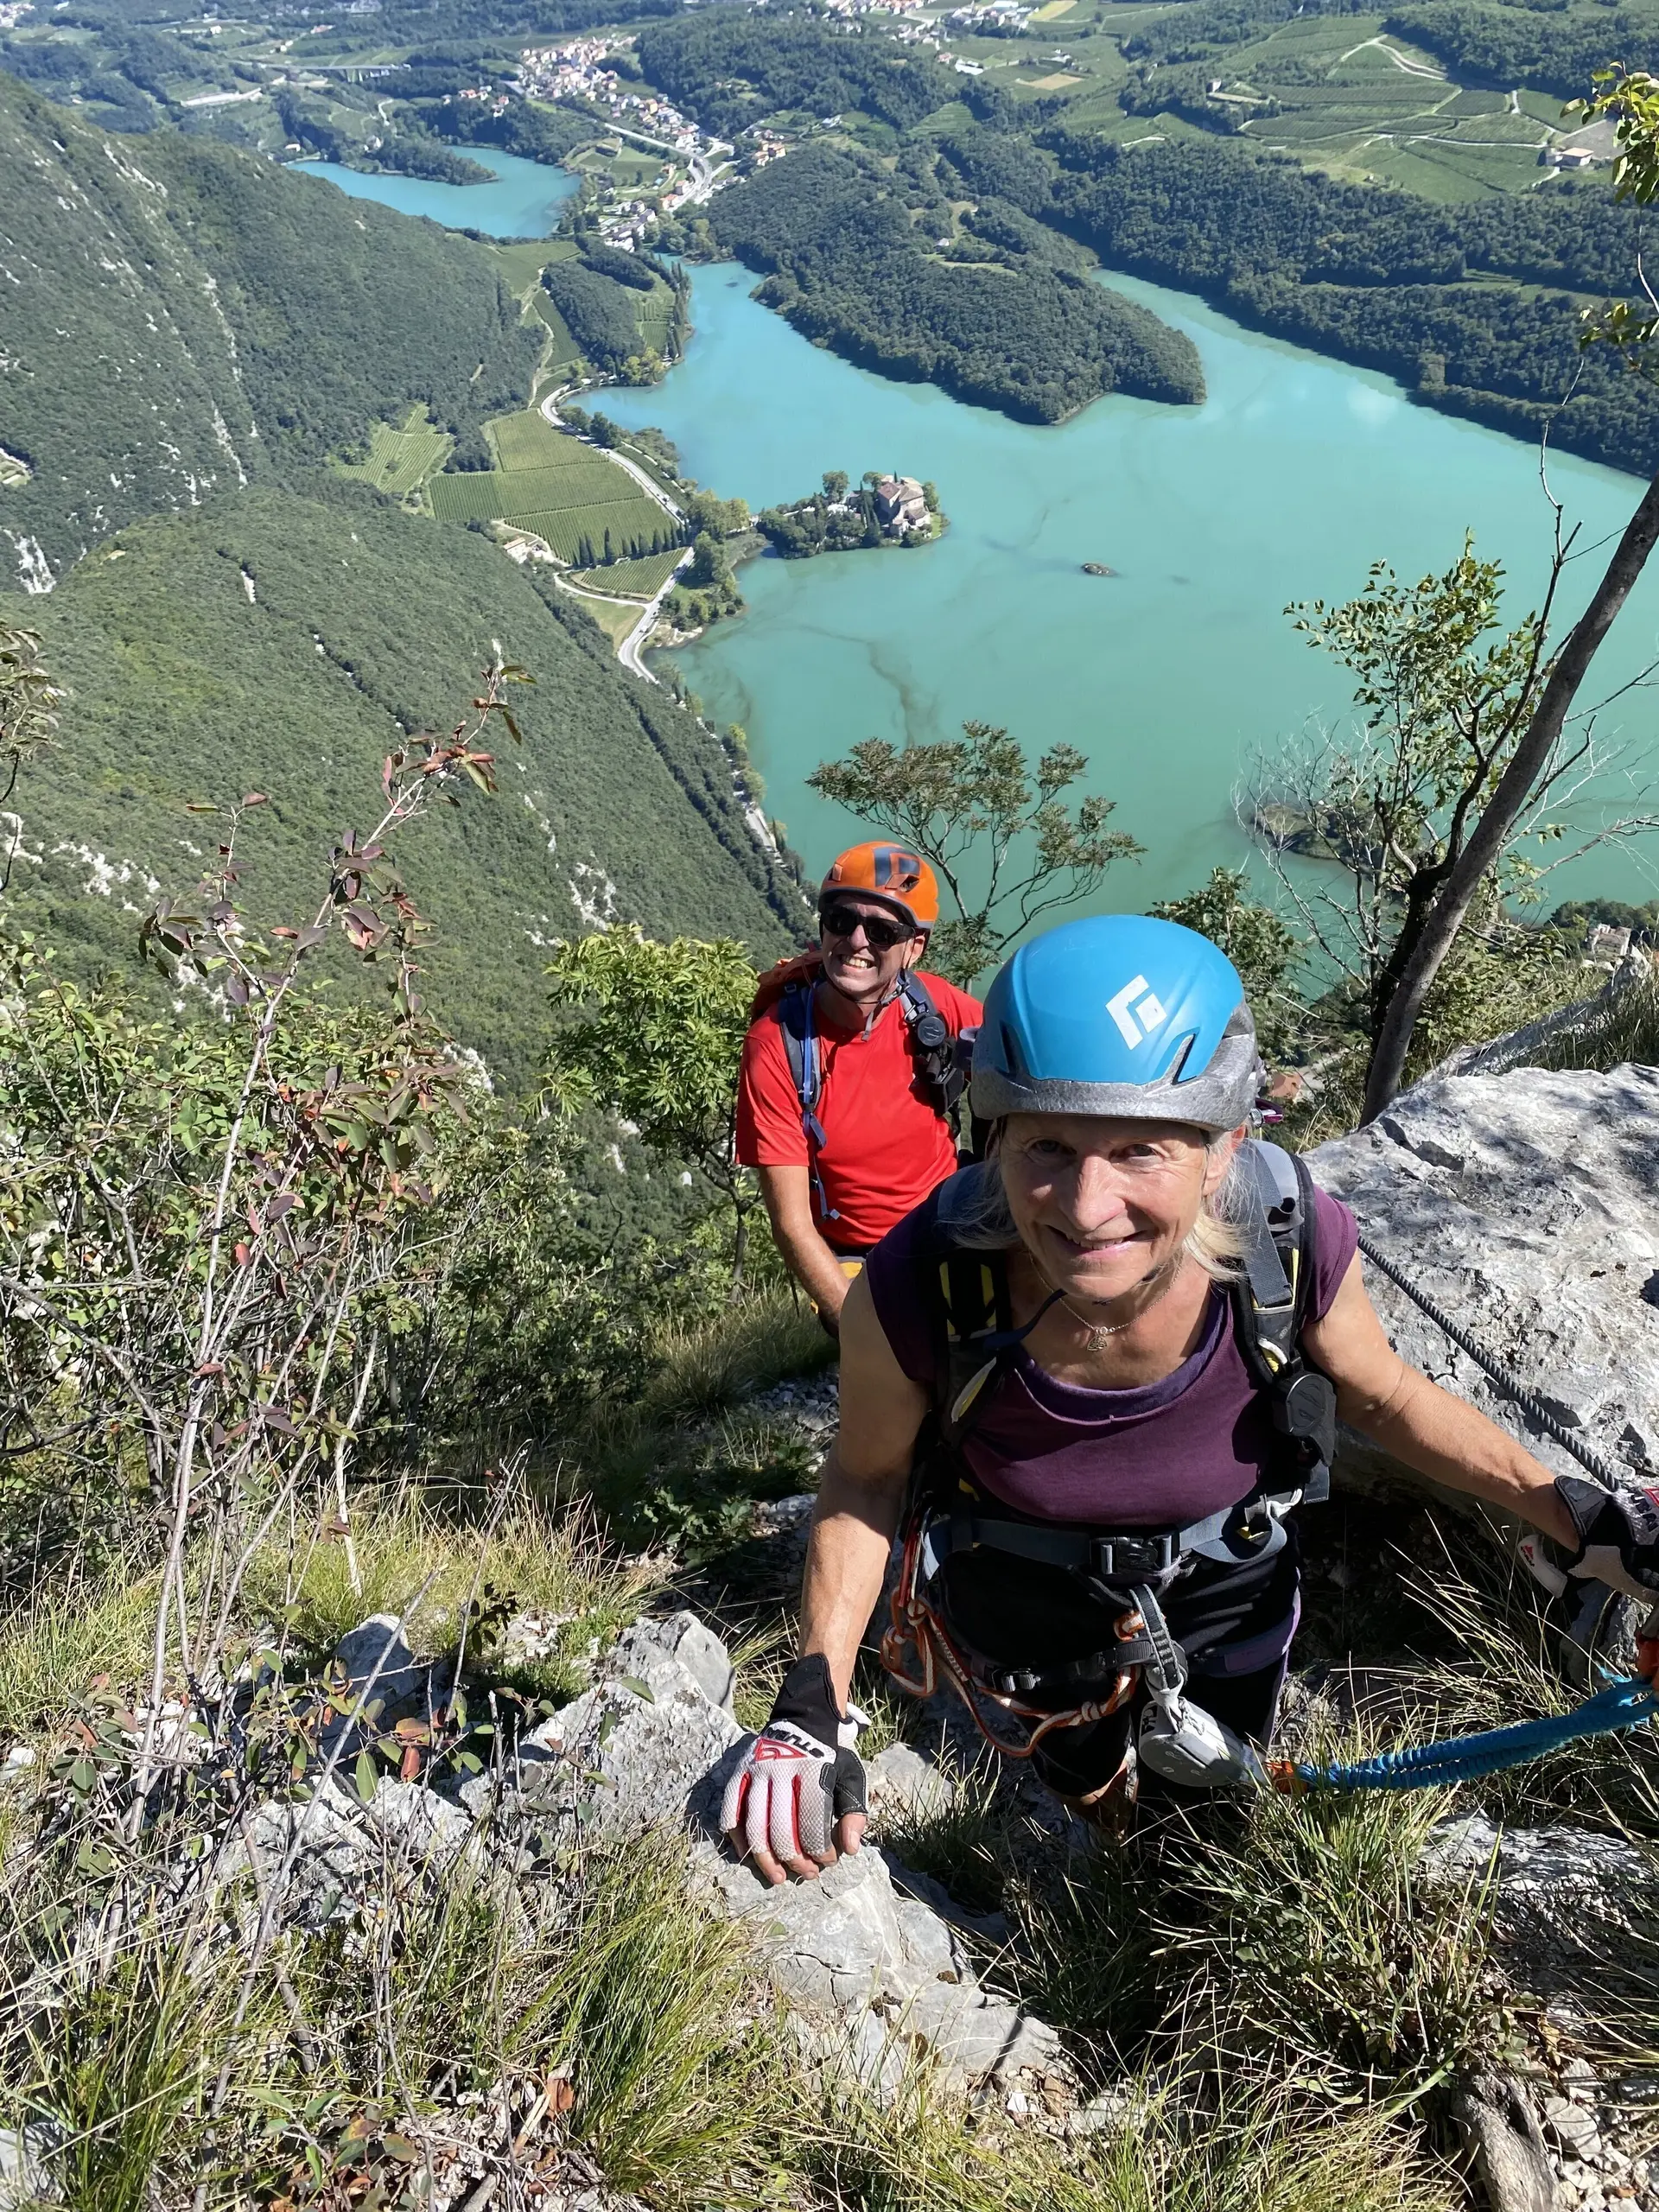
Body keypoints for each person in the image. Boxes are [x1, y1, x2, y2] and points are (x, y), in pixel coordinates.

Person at [720, 912, 1659, 1885]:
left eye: (1141, 1151)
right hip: (1028, 1611)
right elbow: (866, 1480)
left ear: (1224, 1146)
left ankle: (1175, 1892)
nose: (1087, 1209)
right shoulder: (923, 1280)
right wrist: (810, 1706)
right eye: (1047, 1148)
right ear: (995, 1135)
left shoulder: (1282, 1245)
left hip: (1230, 1592)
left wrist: (1581, 1516)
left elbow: (1382, 1394)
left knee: (1205, 1820)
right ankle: (1112, 1829)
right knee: (1082, 1771)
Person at [736, 842, 982, 1336]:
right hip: (860, 1256)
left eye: (883, 931)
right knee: (898, 1374)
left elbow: (1021, 1063)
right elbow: (792, 1224)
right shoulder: (779, 1044)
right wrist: (860, 1329)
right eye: (841, 919)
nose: (855, 941)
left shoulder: (932, 1005)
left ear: (914, 947)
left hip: (951, 1218)